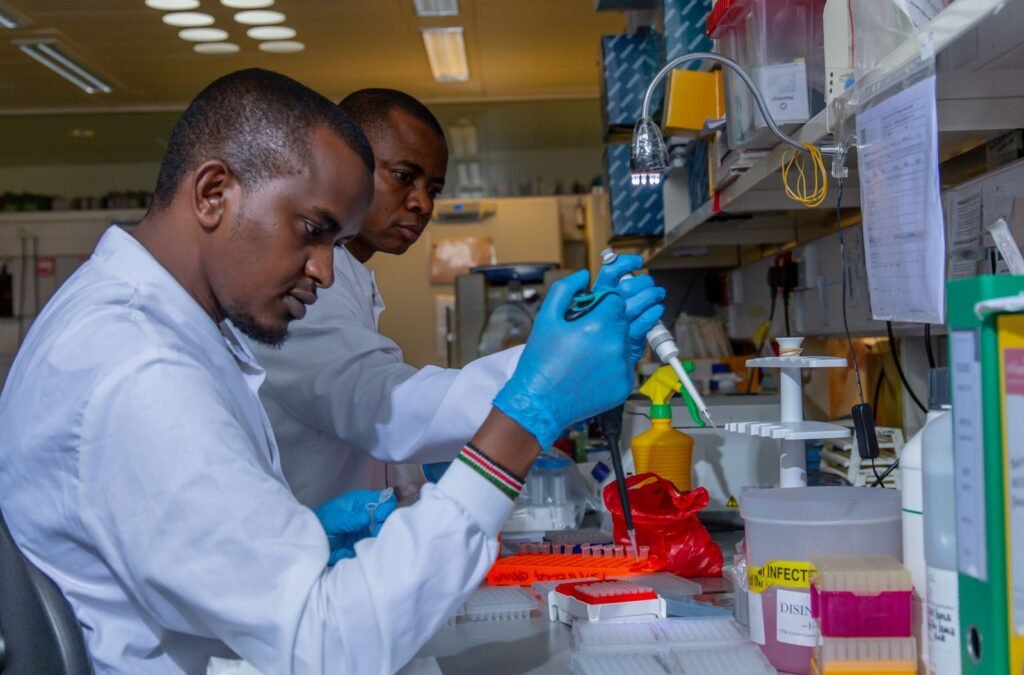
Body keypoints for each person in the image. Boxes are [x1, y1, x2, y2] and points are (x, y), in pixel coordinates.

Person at [0, 68, 665, 674]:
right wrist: (528, 412)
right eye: (312, 230)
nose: (324, 271)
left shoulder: (148, 324)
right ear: (213, 193)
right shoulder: (140, 369)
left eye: (336, 242)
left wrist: (303, 537)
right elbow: (327, 645)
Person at [254, 88, 660, 507]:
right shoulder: (301, 283)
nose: (422, 203)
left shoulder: (351, 276)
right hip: (305, 536)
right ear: (346, 165)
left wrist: (425, 470)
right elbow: (386, 410)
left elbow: (365, 434)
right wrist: (552, 364)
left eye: (434, 189)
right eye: (403, 176)